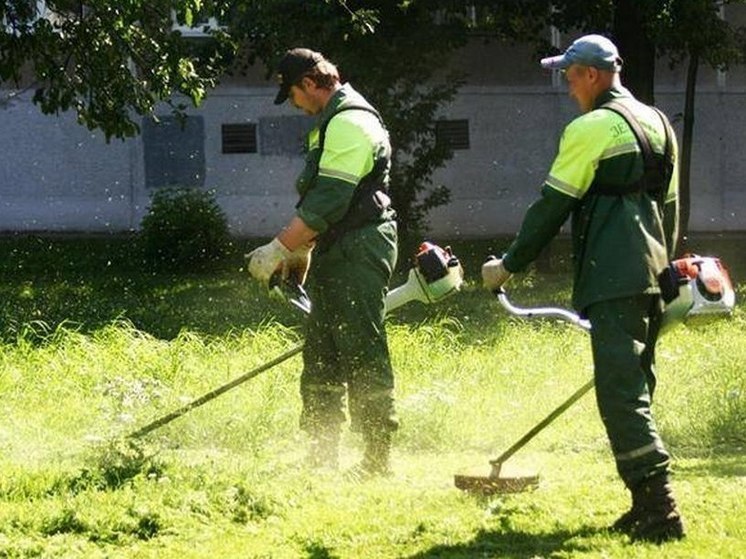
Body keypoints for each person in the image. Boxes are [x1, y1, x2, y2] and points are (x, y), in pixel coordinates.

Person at [482, 35, 684, 543]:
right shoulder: (659, 124)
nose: (568, 88)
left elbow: (553, 205)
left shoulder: (591, 127)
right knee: (635, 387)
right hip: (653, 276)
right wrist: (664, 268)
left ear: (591, 75)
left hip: (613, 276)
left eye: (569, 77)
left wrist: (508, 265)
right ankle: (642, 504)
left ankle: (662, 510)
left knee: (621, 396)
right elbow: (672, 208)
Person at [246, 48, 398, 477]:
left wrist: (278, 247)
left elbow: (331, 198)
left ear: (311, 84)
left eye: (293, 93)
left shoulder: (350, 122)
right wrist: (302, 250)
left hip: (361, 245)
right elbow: (321, 201)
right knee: (322, 354)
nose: (294, 103)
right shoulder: (328, 126)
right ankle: (321, 453)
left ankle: (376, 458)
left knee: (361, 349)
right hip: (338, 245)